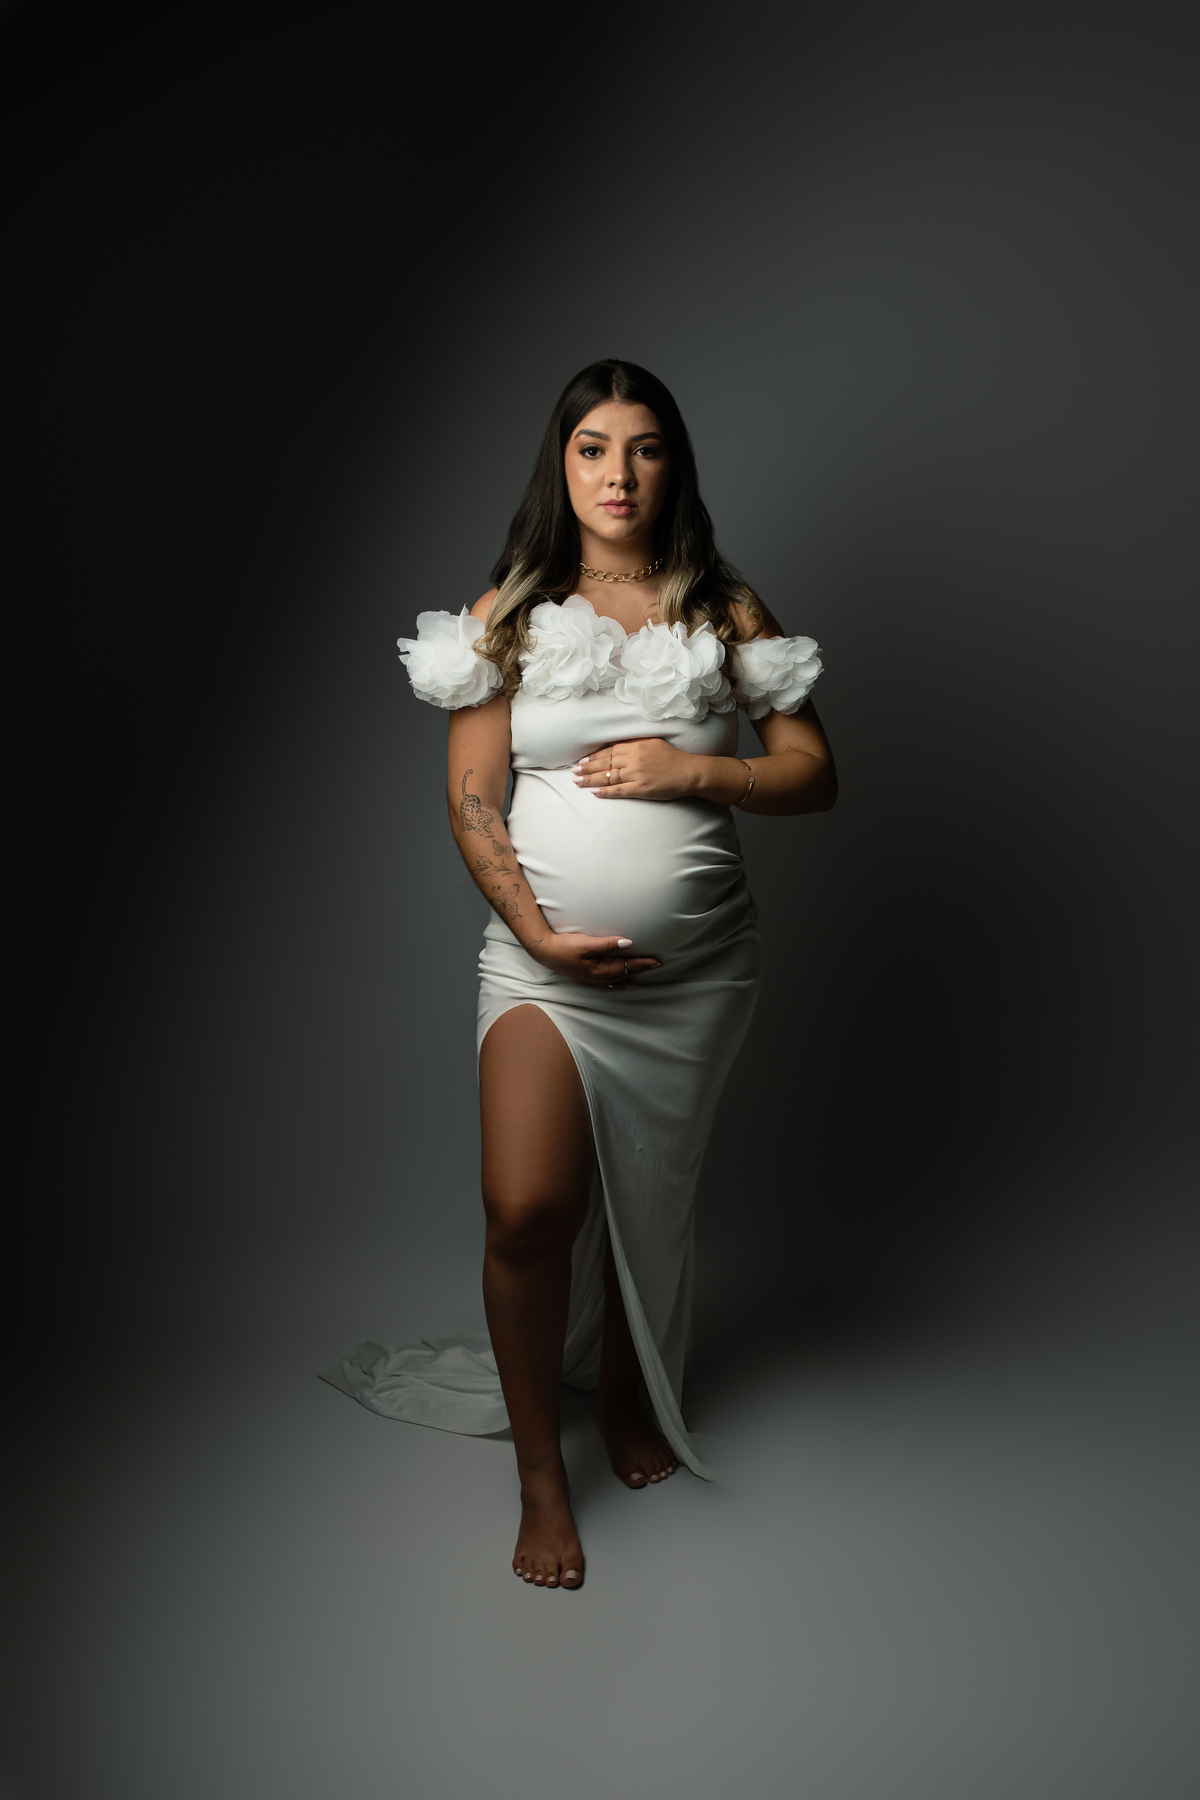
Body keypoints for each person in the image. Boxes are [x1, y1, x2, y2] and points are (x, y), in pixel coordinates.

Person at [324, 359, 836, 1590]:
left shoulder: (725, 608)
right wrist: (539, 934)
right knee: (525, 1209)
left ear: (674, 465)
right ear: (560, 466)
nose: (619, 473)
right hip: (541, 969)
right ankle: (542, 1479)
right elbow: (471, 800)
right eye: (593, 447)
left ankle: (619, 1388)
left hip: (698, 973)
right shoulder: (505, 613)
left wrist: (693, 771)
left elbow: (813, 774)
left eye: (644, 448)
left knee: (649, 1195)